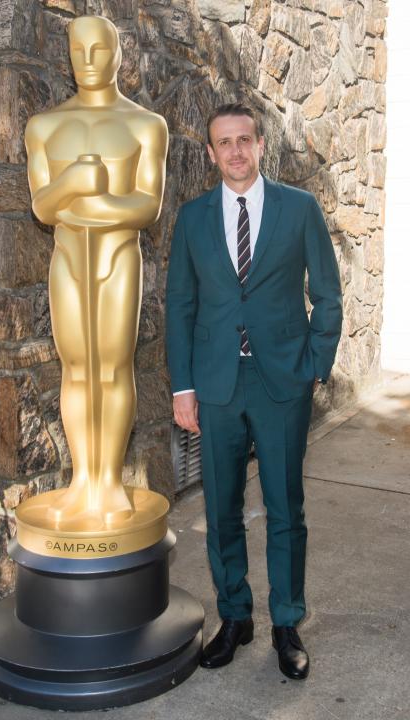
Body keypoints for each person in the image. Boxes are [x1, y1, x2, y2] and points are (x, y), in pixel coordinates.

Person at [165, 103, 342, 679]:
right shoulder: (193, 218)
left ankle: (287, 623)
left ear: (261, 145)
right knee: (221, 509)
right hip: (217, 383)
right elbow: (181, 306)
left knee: (285, 507)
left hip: (282, 382)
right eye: (224, 142)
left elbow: (328, 292)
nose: (235, 151)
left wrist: (315, 363)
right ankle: (235, 618)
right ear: (211, 153)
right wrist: (183, 387)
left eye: (244, 139)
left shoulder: (299, 208)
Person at [25, 15, 168, 526]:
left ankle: (108, 481)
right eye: (78, 51)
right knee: (76, 367)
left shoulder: (145, 125)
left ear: (118, 54)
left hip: (117, 258)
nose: (88, 61)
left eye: (99, 50)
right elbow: (43, 206)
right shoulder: (44, 127)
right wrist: (73, 183)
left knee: (112, 365)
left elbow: (147, 206)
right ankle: (82, 480)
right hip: (68, 258)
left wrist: (96, 199)